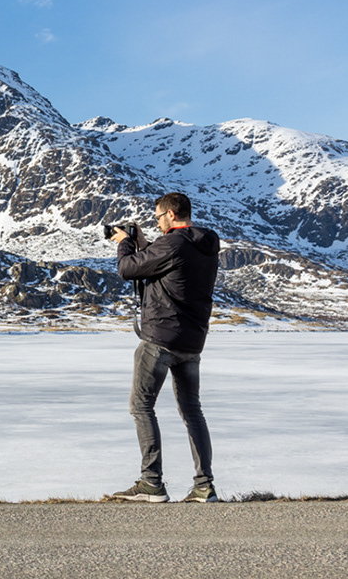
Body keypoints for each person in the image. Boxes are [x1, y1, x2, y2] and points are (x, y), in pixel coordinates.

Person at [105, 191, 220, 503]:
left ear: (171, 214)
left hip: (160, 338)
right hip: (192, 341)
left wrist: (124, 243)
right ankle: (204, 486)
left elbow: (128, 269)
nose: (156, 223)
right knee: (192, 411)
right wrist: (145, 245)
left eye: (158, 217)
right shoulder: (205, 244)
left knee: (141, 406)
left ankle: (152, 482)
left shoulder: (173, 243)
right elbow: (169, 265)